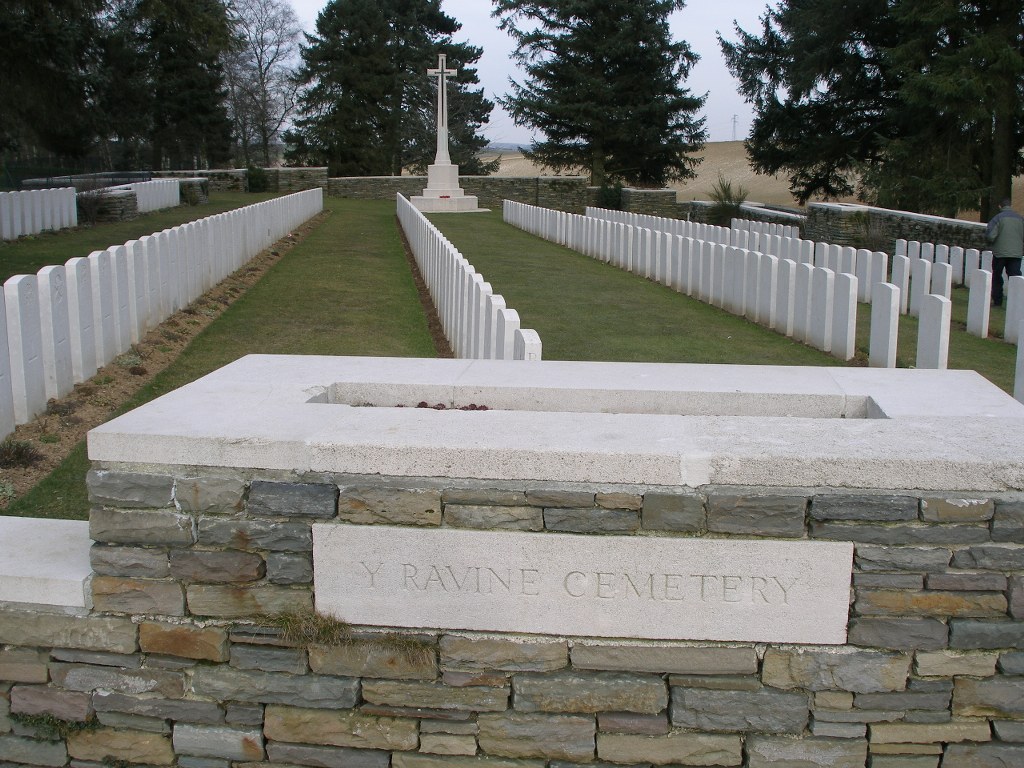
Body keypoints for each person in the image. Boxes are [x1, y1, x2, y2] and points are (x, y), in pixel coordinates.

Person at [985, 198, 1024, 307]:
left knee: (997, 276)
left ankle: (998, 301)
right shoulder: (1020, 218)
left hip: (1000, 253)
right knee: (1015, 277)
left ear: (1000, 206)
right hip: (1016, 254)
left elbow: (991, 236)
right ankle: (1017, 301)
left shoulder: (997, 218)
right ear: (1010, 206)